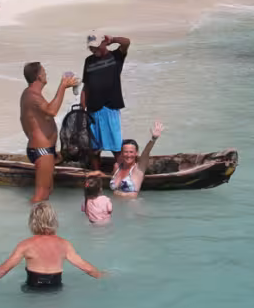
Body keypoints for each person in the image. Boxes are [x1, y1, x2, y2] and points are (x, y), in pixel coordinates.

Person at [0, 202, 103, 292]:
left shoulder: (26, 244)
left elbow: (3, 269)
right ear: (54, 221)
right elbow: (87, 268)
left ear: (32, 222)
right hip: (55, 289)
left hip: (33, 288)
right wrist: (103, 276)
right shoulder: (64, 244)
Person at [19, 62, 78, 203]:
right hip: (42, 150)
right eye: (44, 72)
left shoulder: (29, 95)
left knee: (47, 191)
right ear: (39, 76)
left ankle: (41, 220)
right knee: (40, 194)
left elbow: (24, 120)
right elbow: (52, 111)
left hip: (44, 149)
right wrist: (63, 86)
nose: (46, 74)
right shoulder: (32, 96)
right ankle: (30, 221)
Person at [80, 31, 131, 170]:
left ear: (104, 43)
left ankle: (123, 172)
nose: (93, 49)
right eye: (91, 47)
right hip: (92, 109)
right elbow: (86, 86)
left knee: (115, 145)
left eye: (95, 46)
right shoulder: (88, 61)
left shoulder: (116, 57)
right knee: (94, 147)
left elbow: (126, 42)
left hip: (110, 107)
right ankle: (97, 173)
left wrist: (113, 39)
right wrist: (81, 108)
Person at [109, 121, 164, 198]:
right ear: (121, 153)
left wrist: (153, 139)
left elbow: (146, 152)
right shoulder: (117, 167)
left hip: (132, 207)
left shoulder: (138, 169)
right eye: (126, 152)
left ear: (136, 153)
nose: (128, 155)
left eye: (131, 152)